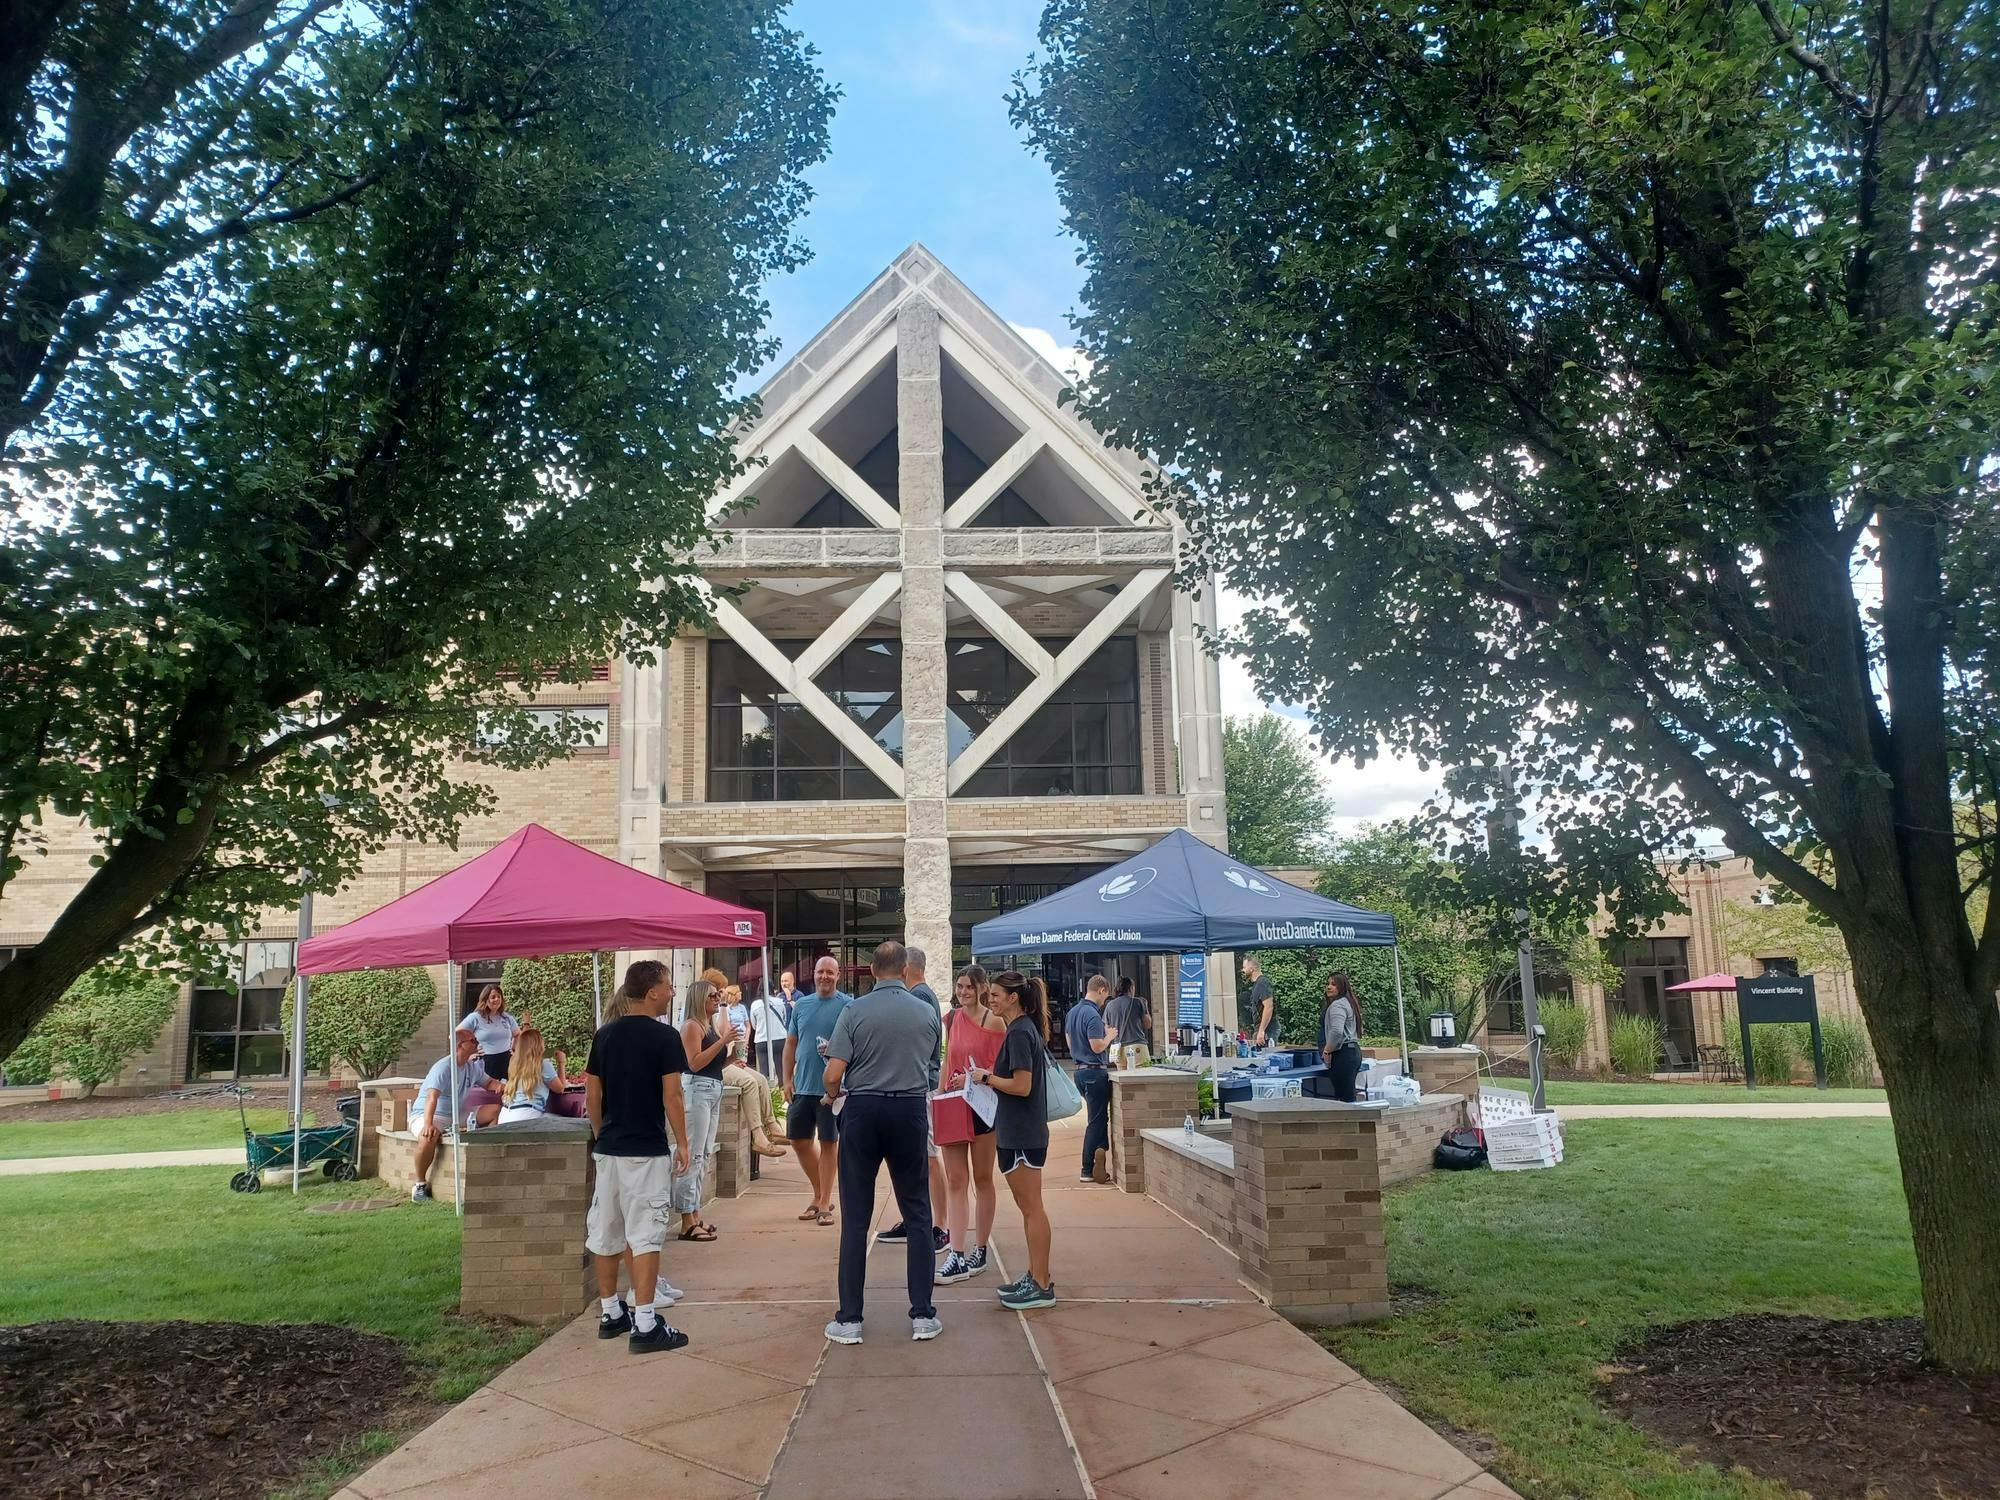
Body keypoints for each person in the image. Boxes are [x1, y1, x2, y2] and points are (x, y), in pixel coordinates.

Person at [822, 940, 945, 1345]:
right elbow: (931, 1066)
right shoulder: (927, 1013)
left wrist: (833, 1088)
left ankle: (850, 1318)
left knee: (856, 1216)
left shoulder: (853, 1011)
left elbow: (833, 1073)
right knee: (917, 1212)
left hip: (863, 1110)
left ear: (872, 970)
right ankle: (923, 1314)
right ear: (905, 969)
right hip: (909, 1108)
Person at [584, 959, 692, 1354]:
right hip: (645, 1150)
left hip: (609, 1148)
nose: (672, 993)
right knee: (645, 1233)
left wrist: (601, 1134)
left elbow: (592, 1096)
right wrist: (682, 1141)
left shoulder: (604, 1035)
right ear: (652, 992)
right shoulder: (665, 1037)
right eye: (668, 986)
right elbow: (673, 1095)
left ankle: (611, 1312)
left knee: (606, 1230)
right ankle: (645, 1323)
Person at [969, 970, 1055, 1310]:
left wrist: (987, 1077)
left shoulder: (1020, 1033)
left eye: (995, 995)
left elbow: (1022, 1086)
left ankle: (1042, 1283)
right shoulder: (1021, 1030)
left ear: (1013, 998)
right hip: (1019, 1131)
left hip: (1023, 1133)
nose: (990, 999)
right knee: (1027, 1207)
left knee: (1032, 1207)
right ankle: (1035, 1275)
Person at [933, 965, 1008, 1282]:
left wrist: (975, 1077)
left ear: (981, 987)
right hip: (953, 1104)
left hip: (982, 1105)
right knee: (955, 1179)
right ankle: (957, 1253)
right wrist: (938, 1092)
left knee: (982, 1177)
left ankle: (980, 1248)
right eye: (958, 986)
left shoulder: (995, 1022)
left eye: (967, 986)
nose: (962, 992)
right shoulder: (951, 1019)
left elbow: (1000, 1065)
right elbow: (948, 1058)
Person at [877, 945, 952, 1254]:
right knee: (919, 1158)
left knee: (930, 1157)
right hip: (919, 1085)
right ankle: (915, 1219)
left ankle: (941, 1227)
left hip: (921, 1086)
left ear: (906, 969)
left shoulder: (919, 998)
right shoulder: (923, 996)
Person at [782, 955, 851, 1226]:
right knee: (798, 1141)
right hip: (803, 1086)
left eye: (830, 972)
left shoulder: (848, 1005)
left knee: (828, 1143)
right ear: (813, 974)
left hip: (833, 1089)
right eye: (820, 972)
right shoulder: (801, 1005)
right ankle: (819, 1192)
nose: (824, 976)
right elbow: (791, 1043)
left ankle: (823, 1202)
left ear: (838, 975)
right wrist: (786, 1079)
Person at [673, 978, 735, 1241]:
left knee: (704, 1153)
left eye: (717, 995)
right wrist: (723, 1043)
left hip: (712, 1088)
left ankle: (695, 1213)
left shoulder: (707, 1026)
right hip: (697, 1089)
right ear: (699, 998)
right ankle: (687, 1220)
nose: (716, 999)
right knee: (693, 1154)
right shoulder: (691, 1026)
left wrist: (732, 1058)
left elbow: (711, 1064)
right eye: (712, 996)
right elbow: (694, 1063)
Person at [409, 1029, 494, 1201]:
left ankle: (489, 1159)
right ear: (460, 1045)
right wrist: (427, 1124)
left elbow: (490, 1083)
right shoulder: (444, 1067)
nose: (477, 1043)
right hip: (429, 1114)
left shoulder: (472, 1067)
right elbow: (431, 1098)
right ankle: (419, 1185)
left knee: (493, 1110)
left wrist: (510, 1088)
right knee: (427, 1137)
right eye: (473, 1040)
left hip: (456, 1115)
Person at [719, 981, 788, 1162]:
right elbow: (722, 1032)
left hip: (727, 1059)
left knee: (762, 1079)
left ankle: (772, 1127)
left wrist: (733, 1058)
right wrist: (723, 1006)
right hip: (714, 1068)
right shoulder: (712, 1012)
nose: (721, 995)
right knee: (749, 1082)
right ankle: (758, 1136)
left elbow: (744, 1027)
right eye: (717, 992)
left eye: (722, 991)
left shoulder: (733, 1008)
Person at [1065, 974, 1115, 1184]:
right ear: (1101, 990)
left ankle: (1100, 1150)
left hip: (1079, 1071)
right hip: (1095, 1071)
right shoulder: (1093, 1015)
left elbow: (1069, 1042)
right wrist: (1110, 1036)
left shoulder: (1073, 1012)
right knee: (1096, 1120)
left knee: (1098, 1117)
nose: (1105, 1001)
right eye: (1106, 995)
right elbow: (1097, 1046)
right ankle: (1087, 1167)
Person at [456, 984, 524, 1086]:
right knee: (487, 1093)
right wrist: (469, 1053)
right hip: (485, 1062)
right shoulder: (475, 1017)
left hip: (506, 1061)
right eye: (493, 997)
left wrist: (515, 1050)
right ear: (485, 1000)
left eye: (499, 996)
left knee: (507, 1092)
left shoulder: (507, 1018)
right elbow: (455, 1035)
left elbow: (518, 1034)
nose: (496, 999)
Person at [1320, 972, 1363, 1102]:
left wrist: (1327, 1050)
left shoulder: (1338, 1005)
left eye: (1333, 984)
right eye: (1328, 984)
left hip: (1343, 1055)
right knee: (1348, 1095)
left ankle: (1351, 1122)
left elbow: (1337, 1032)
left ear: (1342, 987)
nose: (1328, 987)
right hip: (1353, 1052)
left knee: (1345, 1099)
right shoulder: (1349, 1003)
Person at [748, 978, 795, 1080]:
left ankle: (766, 1093)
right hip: (780, 1038)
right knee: (781, 1070)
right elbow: (784, 1019)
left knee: (763, 1073)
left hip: (762, 1039)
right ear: (772, 988)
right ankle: (784, 1093)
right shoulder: (779, 1002)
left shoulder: (755, 1004)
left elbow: (754, 1025)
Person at [1103, 977, 1152, 1067]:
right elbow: (1148, 1024)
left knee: (1122, 1079)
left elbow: (1107, 1029)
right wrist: (1146, 1008)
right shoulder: (1138, 1002)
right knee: (1143, 1078)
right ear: (1131, 988)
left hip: (1119, 1049)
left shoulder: (1110, 1005)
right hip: (1137, 1046)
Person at [1245, 956, 1278, 1049]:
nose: (1243, 970)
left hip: (1267, 1030)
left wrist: (1262, 1031)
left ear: (1251, 969)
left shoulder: (1262, 983)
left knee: (1267, 1059)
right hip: (1261, 1028)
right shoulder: (1257, 984)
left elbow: (1268, 1006)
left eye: (1244, 967)